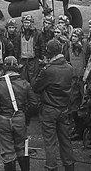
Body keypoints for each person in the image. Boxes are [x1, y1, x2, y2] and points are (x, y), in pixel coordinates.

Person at [0, 56, 37, 171]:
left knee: (8, 153)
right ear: (17, 68)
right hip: (19, 118)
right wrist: (26, 117)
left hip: (3, 119)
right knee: (22, 150)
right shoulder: (25, 84)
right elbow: (34, 104)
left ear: (5, 68)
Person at [32, 39, 75, 171]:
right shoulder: (69, 68)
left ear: (49, 52)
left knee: (50, 142)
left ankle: (51, 167)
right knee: (65, 141)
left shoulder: (48, 70)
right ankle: (69, 166)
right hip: (64, 108)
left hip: (50, 109)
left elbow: (35, 86)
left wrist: (41, 69)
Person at [63, 28, 89, 140]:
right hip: (73, 79)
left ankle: (83, 129)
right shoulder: (68, 47)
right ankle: (76, 128)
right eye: (72, 36)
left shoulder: (85, 48)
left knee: (83, 103)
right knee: (73, 103)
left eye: (76, 36)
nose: (73, 38)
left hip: (82, 79)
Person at [14, 14, 46, 84]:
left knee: (33, 78)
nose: (26, 24)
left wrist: (42, 58)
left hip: (33, 60)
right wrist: (16, 60)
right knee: (22, 78)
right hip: (22, 60)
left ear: (31, 23)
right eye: (25, 22)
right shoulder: (18, 34)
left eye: (28, 22)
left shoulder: (37, 33)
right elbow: (16, 48)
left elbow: (42, 46)